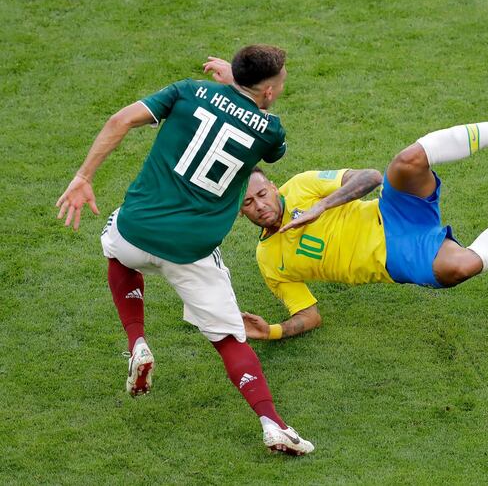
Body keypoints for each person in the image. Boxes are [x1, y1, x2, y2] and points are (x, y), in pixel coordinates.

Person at [198, 54, 488, 340]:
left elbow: (371, 177)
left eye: (261, 193)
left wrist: (323, 205)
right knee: (461, 267)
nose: (260, 204)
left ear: (272, 186)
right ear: (240, 213)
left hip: (391, 210)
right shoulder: (270, 262)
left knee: (408, 160)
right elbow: (310, 315)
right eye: (248, 204)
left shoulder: (301, 186)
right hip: (398, 256)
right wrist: (275, 331)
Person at [56, 45, 314, 456]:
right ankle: (273, 424)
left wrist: (84, 176)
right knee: (229, 338)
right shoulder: (271, 130)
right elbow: (263, 138)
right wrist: (237, 87)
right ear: (267, 91)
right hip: (191, 250)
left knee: (116, 250)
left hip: (136, 230)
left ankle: (137, 341)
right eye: (280, 82)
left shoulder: (186, 90)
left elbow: (120, 119)